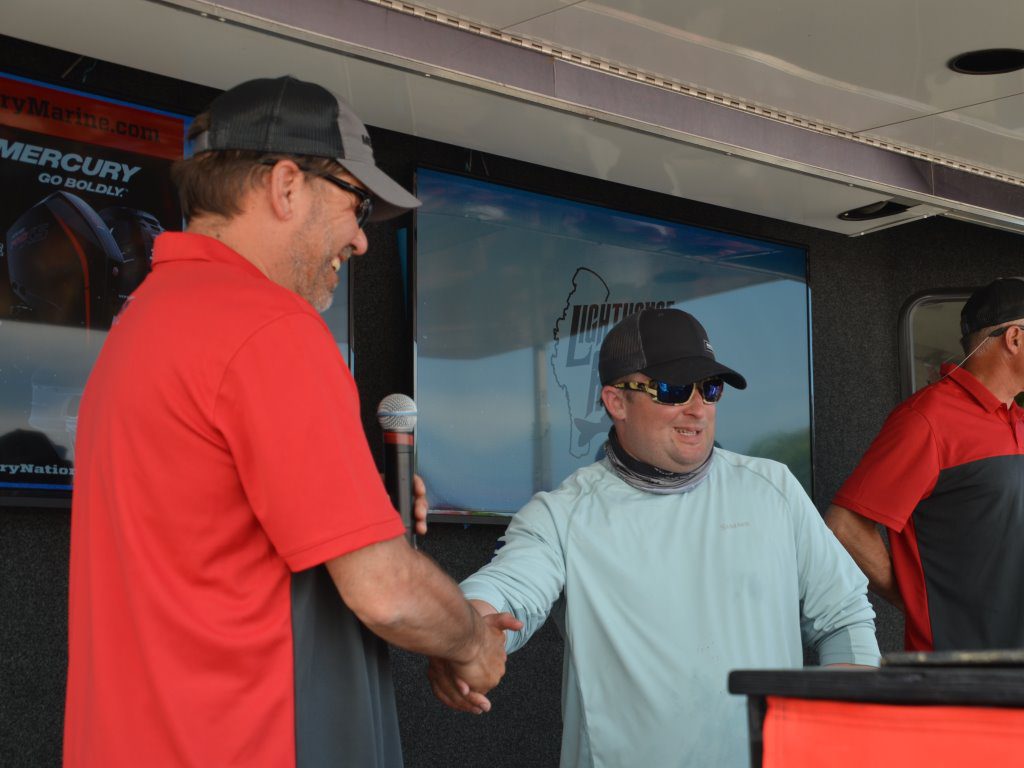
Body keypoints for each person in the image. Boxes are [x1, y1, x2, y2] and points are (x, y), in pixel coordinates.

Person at [63, 76, 519, 768]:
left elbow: (215, 542)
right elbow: (388, 593)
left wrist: (361, 507)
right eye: (356, 204)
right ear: (285, 186)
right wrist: (473, 643)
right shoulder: (268, 326)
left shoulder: (142, 325)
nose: (361, 240)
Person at [429, 307, 880, 768]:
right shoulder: (564, 514)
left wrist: (841, 732)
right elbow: (504, 591)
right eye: (673, 389)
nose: (697, 408)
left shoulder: (774, 488)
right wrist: (464, 638)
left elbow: (844, 617)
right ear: (616, 402)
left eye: (710, 388)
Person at [827, 277, 1024, 652]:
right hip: (960, 670)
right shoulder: (928, 418)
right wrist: (915, 605)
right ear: (1014, 338)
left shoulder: (1018, 418)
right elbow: (845, 525)